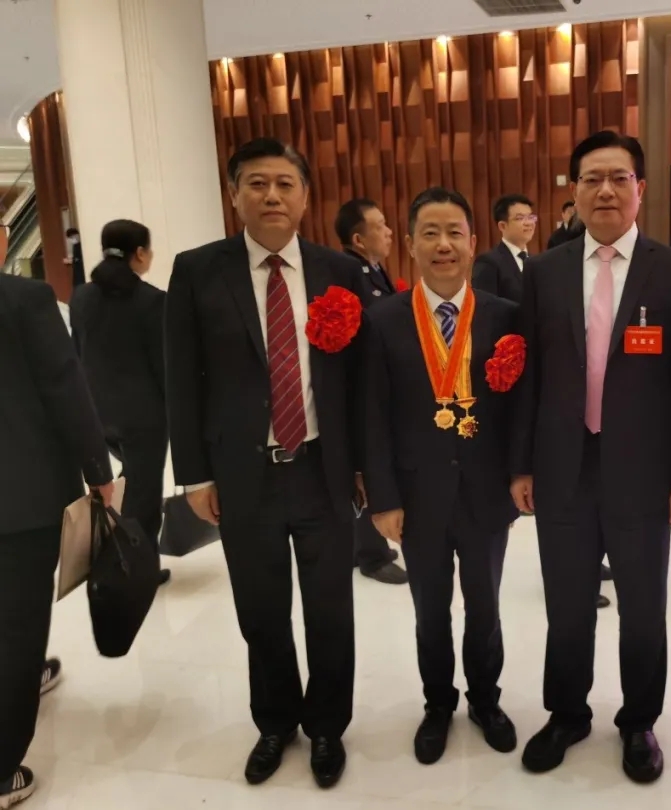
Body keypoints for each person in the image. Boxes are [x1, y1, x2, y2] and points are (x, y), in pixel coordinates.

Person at [511, 131, 671, 784]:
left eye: (618, 178)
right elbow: (530, 378)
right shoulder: (544, 272)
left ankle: (639, 721)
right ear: (573, 190)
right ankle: (567, 713)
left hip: (644, 475)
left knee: (643, 607)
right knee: (567, 605)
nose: (604, 190)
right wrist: (522, 465)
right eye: (591, 178)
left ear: (640, 189)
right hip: (562, 469)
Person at [165, 137, 363, 790]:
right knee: (262, 608)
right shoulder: (198, 270)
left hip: (322, 468)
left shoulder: (339, 272)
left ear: (305, 196)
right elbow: (181, 379)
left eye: (284, 183)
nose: (271, 195)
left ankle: (328, 725)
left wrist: (365, 467)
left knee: (330, 608)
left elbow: (359, 381)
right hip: (242, 474)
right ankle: (275, 721)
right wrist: (195, 474)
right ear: (234, 195)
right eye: (256, 183)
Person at [363, 186, 520, 765]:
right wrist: (383, 498)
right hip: (417, 496)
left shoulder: (504, 316)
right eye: (430, 233)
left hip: (486, 494)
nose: (443, 244)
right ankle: (437, 704)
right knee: (430, 612)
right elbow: (373, 416)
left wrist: (519, 478)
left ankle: (485, 700)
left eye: (454, 232)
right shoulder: (384, 320)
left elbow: (519, 411)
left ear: (474, 242)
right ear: (409, 245)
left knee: (485, 608)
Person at [0, 224, 115, 809]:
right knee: (16, 624)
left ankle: (28, 677)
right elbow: (65, 388)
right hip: (21, 499)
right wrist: (99, 471)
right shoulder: (24, 299)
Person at [70, 219, 171, 586]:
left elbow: (77, 351)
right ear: (140, 253)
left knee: (125, 486)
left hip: (97, 411)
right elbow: (163, 365)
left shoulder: (81, 297)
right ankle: (139, 571)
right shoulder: (152, 301)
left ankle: (120, 559)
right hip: (144, 416)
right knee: (144, 495)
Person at [332, 198, 409, 585]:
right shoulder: (351, 272)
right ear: (359, 239)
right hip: (360, 387)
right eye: (380, 226)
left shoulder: (373, 270)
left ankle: (358, 546)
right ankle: (371, 555)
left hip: (378, 382)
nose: (389, 232)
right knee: (366, 465)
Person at [470, 193, 536, 303]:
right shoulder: (488, 262)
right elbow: (484, 305)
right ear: (502, 226)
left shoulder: (536, 261)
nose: (529, 223)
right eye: (520, 218)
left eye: (531, 217)